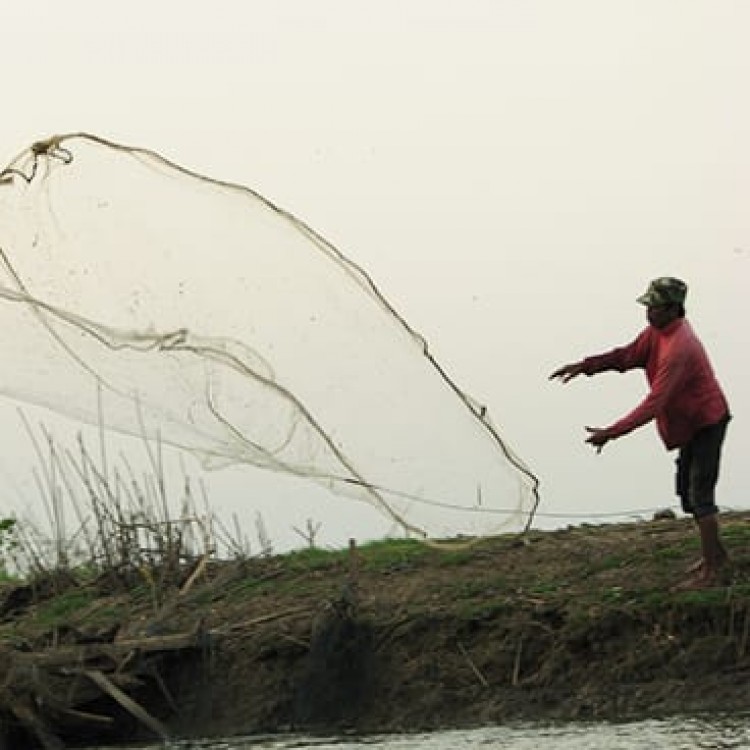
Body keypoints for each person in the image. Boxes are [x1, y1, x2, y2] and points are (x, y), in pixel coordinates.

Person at [550, 277, 731, 589]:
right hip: (688, 424)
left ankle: (715, 569)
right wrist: (585, 366)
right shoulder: (657, 333)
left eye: (655, 307)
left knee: (701, 496)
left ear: (673, 309)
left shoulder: (679, 348)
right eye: (647, 306)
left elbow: (654, 404)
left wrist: (612, 432)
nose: (648, 313)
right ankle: (715, 556)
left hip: (705, 421)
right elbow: (626, 356)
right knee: (687, 495)